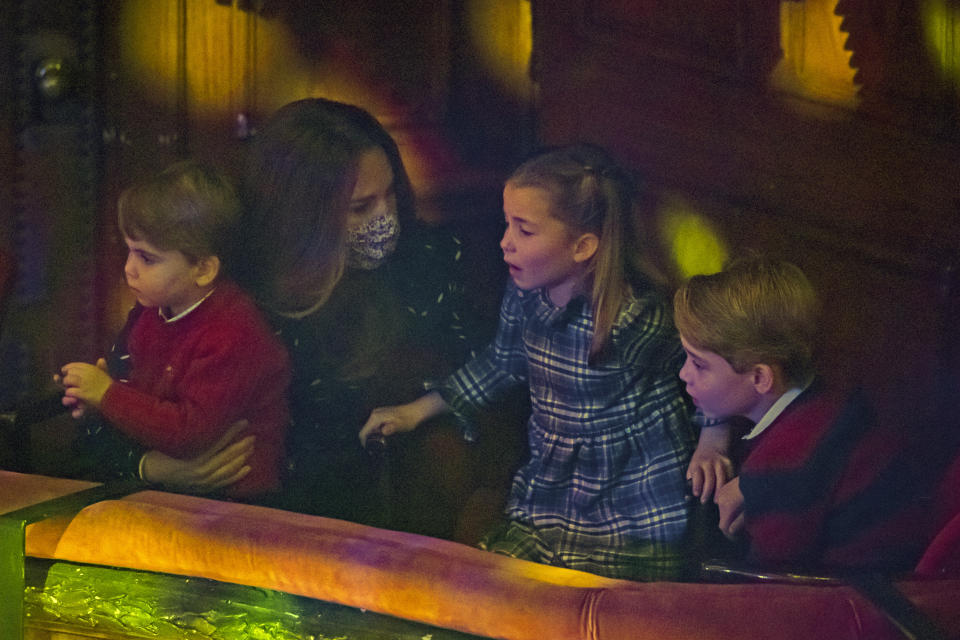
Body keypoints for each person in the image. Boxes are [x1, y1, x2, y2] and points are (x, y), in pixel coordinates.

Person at [360, 143, 727, 581]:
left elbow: (704, 373)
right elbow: (501, 361)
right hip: (551, 490)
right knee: (496, 585)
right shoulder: (524, 293)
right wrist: (415, 411)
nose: (504, 242)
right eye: (506, 224)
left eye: (525, 230)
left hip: (631, 501)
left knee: (601, 607)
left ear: (582, 246)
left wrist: (714, 437)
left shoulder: (634, 320)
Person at [226, 98, 492, 529]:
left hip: (399, 529)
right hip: (274, 528)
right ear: (301, 217)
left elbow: (486, 382)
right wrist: (162, 465)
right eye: (360, 207)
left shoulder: (428, 264)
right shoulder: (237, 294)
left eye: (389, 195)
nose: (385, 218)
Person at [673, 256, 927, 572]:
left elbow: (773, 585)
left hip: (860, 598)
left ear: (760, 378)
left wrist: (759, 490)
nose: (685, 374)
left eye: (699, 364)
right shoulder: (825, 395)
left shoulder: (781, 469)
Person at [57, 160, 291, 501]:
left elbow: (189, 434)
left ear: (203, 268)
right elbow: (149, 398)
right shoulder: (152, 311)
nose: (128, 269)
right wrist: (100, 400)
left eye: (146, 258)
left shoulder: (233, 333)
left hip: (239, 502)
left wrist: (109, 394)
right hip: (174, 491)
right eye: (129, 251)